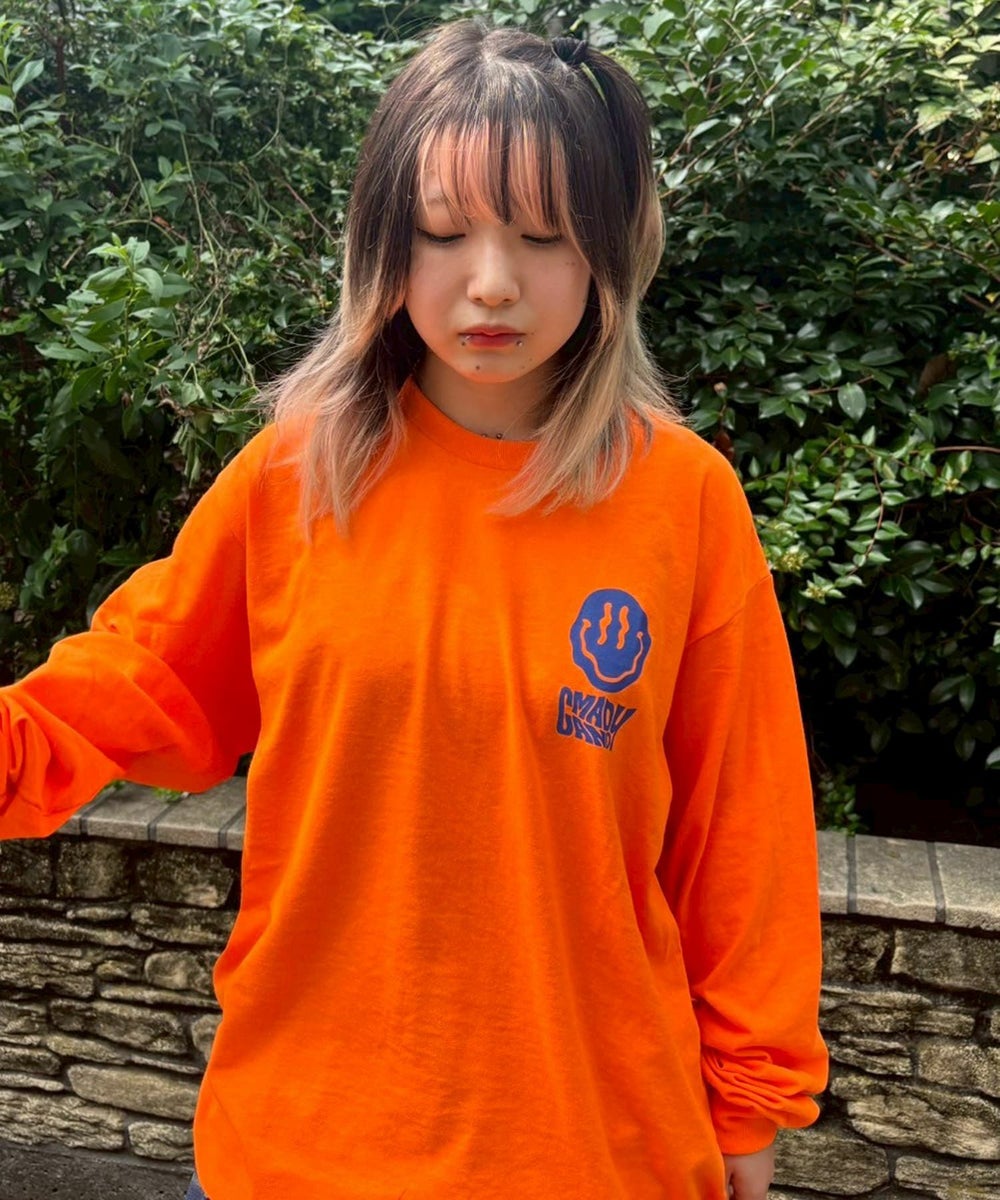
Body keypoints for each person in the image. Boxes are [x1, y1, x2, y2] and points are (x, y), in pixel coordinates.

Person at [0, 19, 828, 1200]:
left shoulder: (682, 501)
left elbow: (742, 836)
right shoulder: (297, 475)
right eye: (443, 233)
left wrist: (751, 1104)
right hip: (298, 1149)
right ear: (384, 241)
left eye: (543, 236)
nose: (491, 282)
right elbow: (129, 687)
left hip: (590, 1153)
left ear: (609, 248)